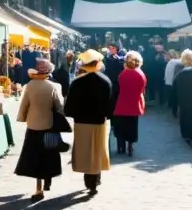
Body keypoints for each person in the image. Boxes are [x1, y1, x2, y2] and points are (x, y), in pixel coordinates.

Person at [15, 58, 65, 202]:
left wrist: (23, 118)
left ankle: (38, 188)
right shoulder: (54, 87)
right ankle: (47, 179)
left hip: (33, 126)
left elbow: (24, 105)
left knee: (35, 157)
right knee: (48, 155)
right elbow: (60, 107)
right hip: (48, 126)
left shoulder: (29, 86)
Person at [64, 49, 114, 195]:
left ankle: (89, 179)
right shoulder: (105, 81)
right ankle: (95, 178)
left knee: (85, 152)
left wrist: (74, 115)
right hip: (99, 121)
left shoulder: (77, 82)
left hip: (81, 122)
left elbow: (69, 106)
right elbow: (110, 104)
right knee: (97, 151)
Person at [112, 51, 147, 156]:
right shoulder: (141, 74)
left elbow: (118, 89)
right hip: (135, 103)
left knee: (121, 125)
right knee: (132, 126)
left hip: (122, 102)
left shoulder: (122, 74)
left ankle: (120, 146)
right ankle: (130, 146)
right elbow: (143, 89)